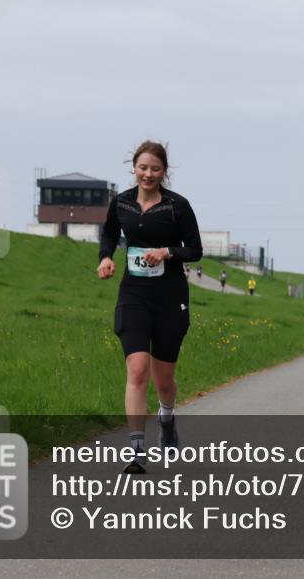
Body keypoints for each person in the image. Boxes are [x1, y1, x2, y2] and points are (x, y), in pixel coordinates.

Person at [98, 140, 203, 474]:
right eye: (143, 167)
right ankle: (136, 450)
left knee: (164, 379)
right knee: (137, 369)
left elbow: (195, 251)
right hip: (134, 294)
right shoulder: (122, 203)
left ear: (164, 172)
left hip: (170, 296)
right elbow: (110, 233)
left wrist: (166, 252)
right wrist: (105, 258)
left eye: (155, 169)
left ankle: (167, 417)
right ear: (134, 167)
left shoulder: (177, 206)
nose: (148, 174)